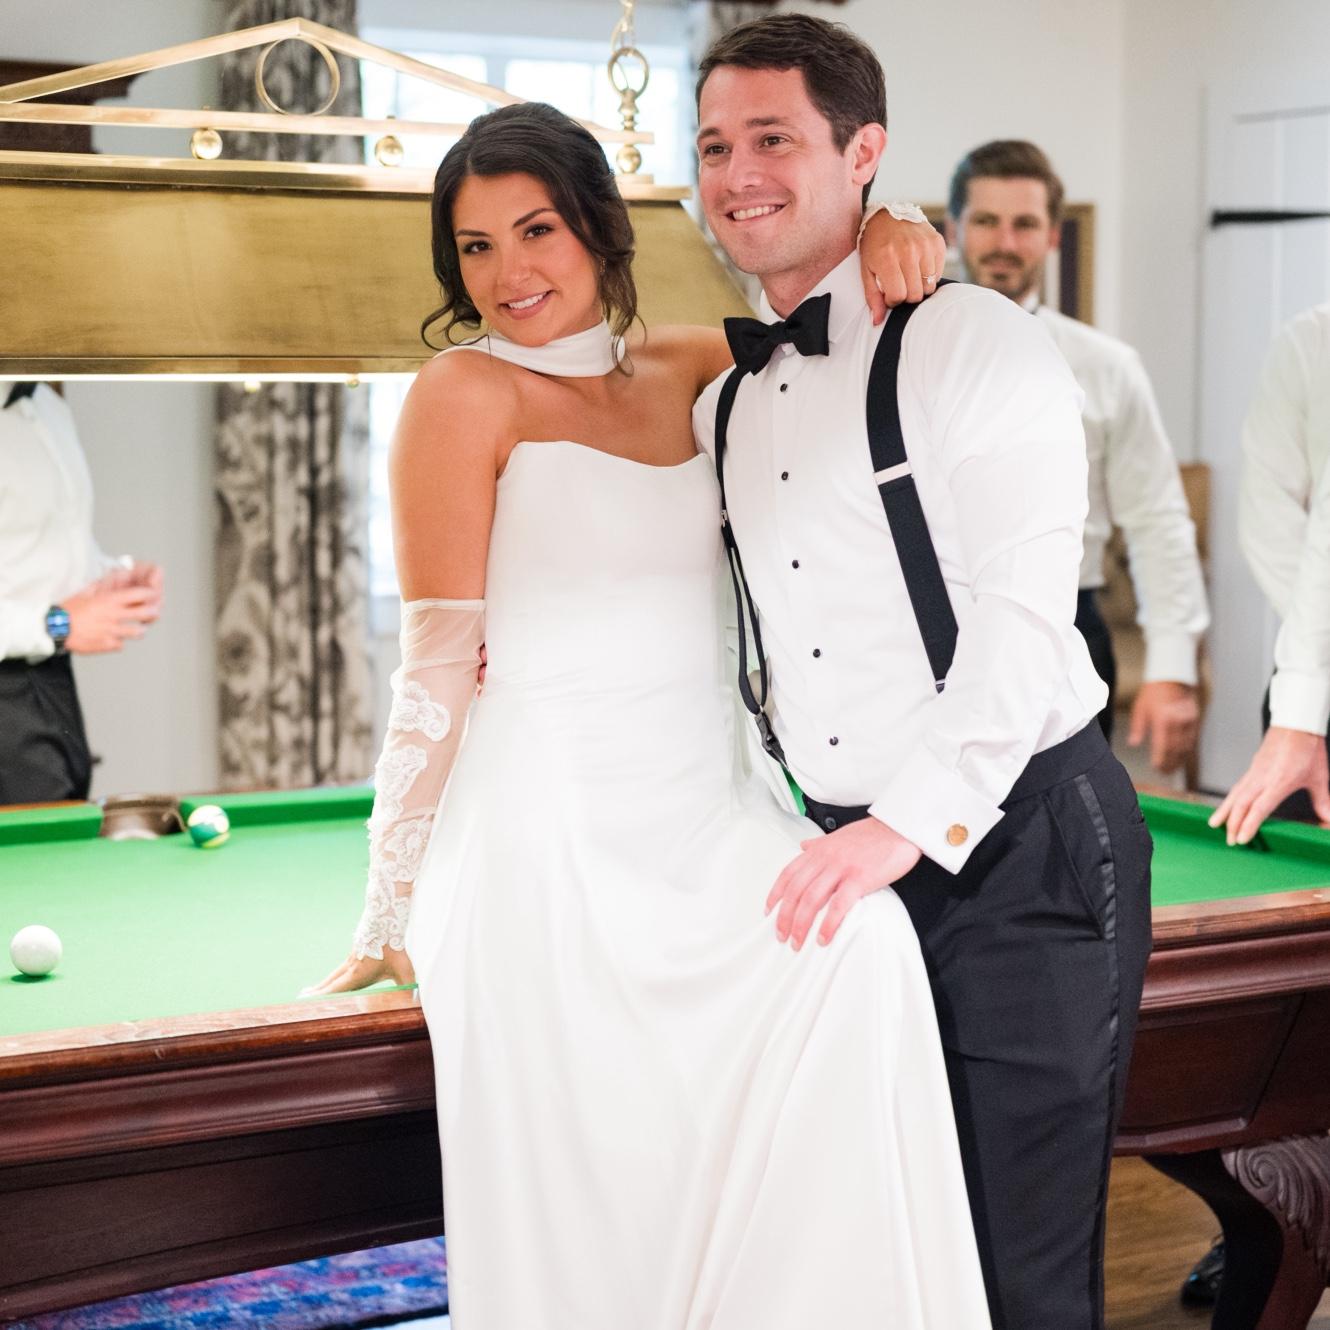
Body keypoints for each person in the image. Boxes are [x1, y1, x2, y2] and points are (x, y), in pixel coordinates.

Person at [307, 101, 991, 1326]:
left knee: (867, 954)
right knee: (610, 1160)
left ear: (599, 229)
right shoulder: (461, 393)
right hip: (550, 833)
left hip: (709, 812)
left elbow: (836, 333)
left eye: (536, 230)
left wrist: (892, 221)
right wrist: (390, 898)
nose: (508, 272)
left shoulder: (691, 366)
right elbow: (436, 669)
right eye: (474, 247)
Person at [690, 17, 1153, 1329]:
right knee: (874, 1267)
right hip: (833, 866)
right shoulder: (720, 404)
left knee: (1016, 1277)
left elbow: (1023, 621)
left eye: (772, 138)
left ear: (863, 154)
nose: (738, 174)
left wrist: (901, 826)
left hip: (1016, 853)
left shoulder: (976, 343)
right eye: (714, 146)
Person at [946, 139, 1209, 774]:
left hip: (1069, 626)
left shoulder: (1109, 367)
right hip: (931, 621)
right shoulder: (891, 355)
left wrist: (1172, 666)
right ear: (954, 229)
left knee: (1071, 822)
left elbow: (1157, 519)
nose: (1004, 242)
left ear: (1053, 236)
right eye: (986, 221)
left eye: (1024, 223)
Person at [1180, 301, 1330, 1309]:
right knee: (1307, 998)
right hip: (1314, 686)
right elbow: (1281, 524)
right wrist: (1314, 697)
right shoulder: (1308, 338)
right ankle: (1280, 1212)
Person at [0, 382, 163, 805]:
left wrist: (114, 573)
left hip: (52, 680)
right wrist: (58, 624)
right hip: (8, 685)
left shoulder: (49, 406)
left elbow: (46, 549)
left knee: (67, 824)